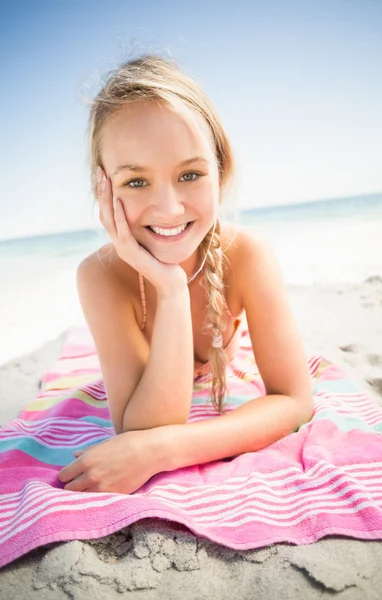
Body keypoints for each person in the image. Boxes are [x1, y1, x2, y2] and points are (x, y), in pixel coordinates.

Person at [58, 54, 314, 494]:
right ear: (104, 188)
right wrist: (172, 289)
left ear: (221, 171)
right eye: (136, 181)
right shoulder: (100, 276)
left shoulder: (248, 253)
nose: (170, 209)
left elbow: (295, 401)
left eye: (190, 174)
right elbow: (138, 426)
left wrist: (164, 450)